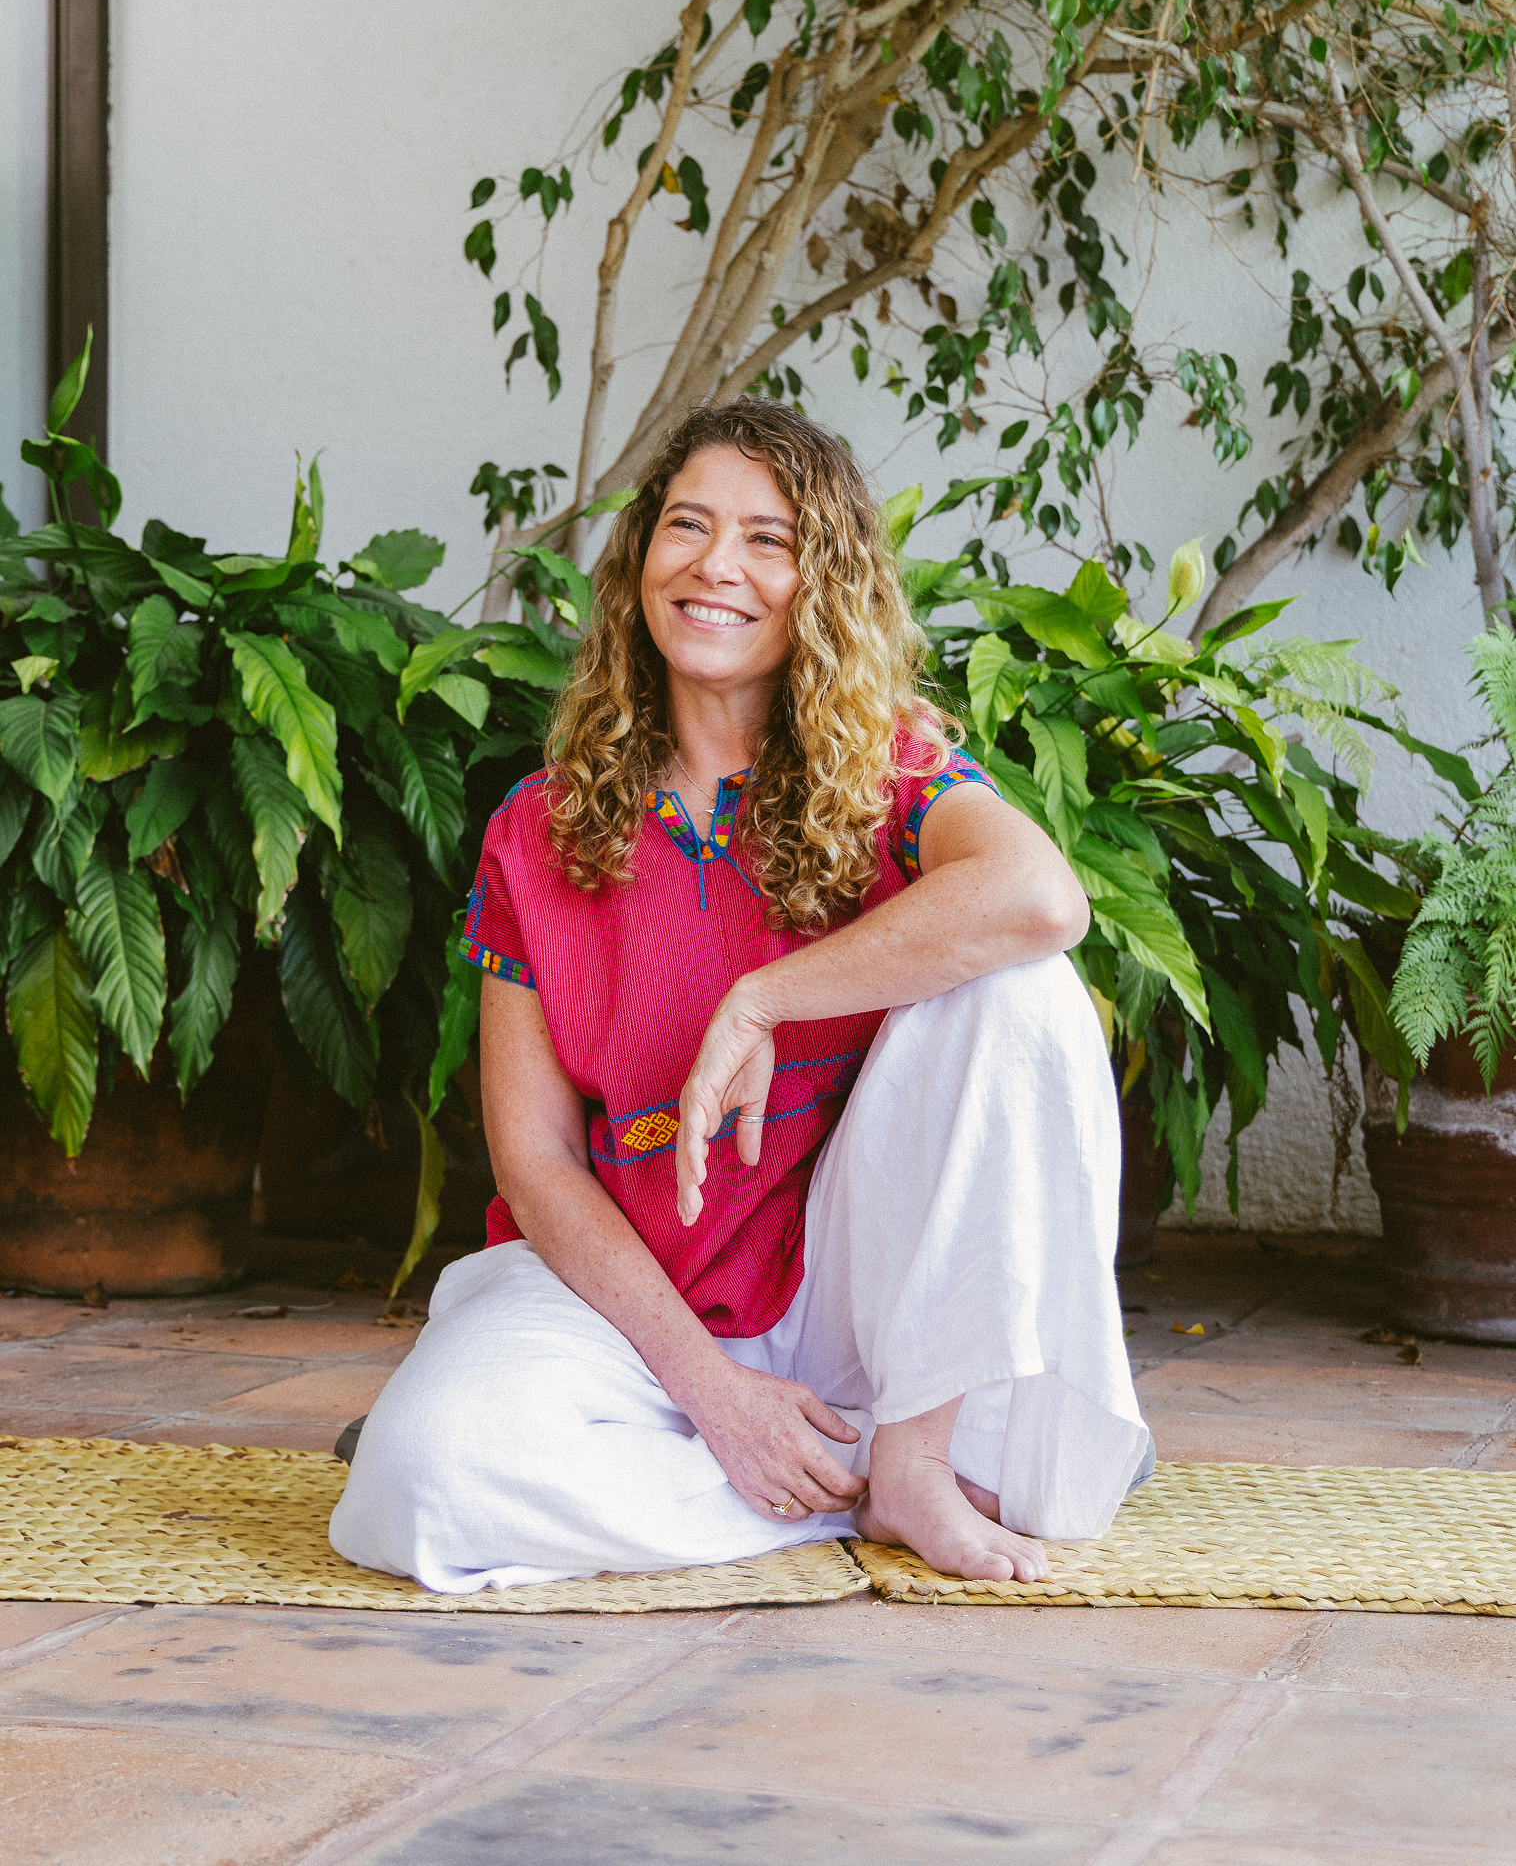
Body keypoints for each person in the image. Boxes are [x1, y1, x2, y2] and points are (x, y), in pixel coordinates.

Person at [329, 398, 1152, 1594]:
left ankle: (910, 1458)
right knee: (420, 1481)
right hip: (629, 1308)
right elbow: (537, 1163)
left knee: (1018, 991)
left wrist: (765, 999)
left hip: (854, 1304)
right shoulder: (537, 826)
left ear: (825, 580)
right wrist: (711, 1396)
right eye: (687, 525)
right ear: (638, 563)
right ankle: (842, 1479)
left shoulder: (892, 768)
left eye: (768, 539)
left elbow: (1040, 896)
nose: (718, 564)